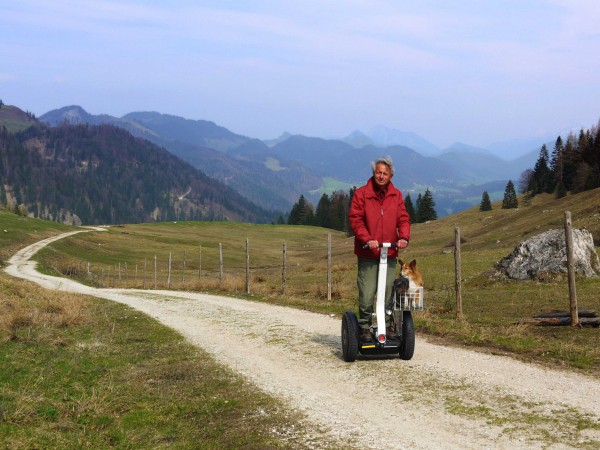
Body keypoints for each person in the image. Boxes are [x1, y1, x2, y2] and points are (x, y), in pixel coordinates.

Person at [348, 156, 411, 341]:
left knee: (389, 293)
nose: (381, 176)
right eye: (378, 173)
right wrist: (367, 239)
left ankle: (389, 325)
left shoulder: (396, 195)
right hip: (368, 252)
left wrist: (403, 237)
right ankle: (365, 327)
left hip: (389, 253)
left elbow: (403, 219)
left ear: (391, 175)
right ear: (373, 173)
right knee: (367, 294)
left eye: (385, 173)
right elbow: (356, 219)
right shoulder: (362, 194)